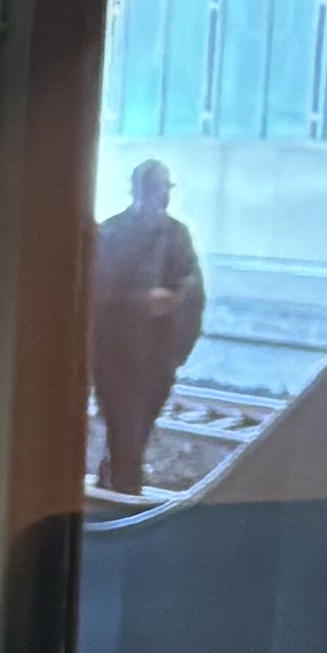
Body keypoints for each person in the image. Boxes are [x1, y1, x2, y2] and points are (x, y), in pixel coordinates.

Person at [89, 148, 206, 495]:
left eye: (165, 189)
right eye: (156, 189)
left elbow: (191, 287)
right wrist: (143, 302)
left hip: (157, 356)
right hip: (116, 355)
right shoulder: (109, 233)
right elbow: (96, 292)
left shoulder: (176, 235)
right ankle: (125, 488)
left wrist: (174, 304)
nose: (162, 197)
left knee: (136, 429)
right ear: (138, 191)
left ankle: (115, 477)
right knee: (125, 429)